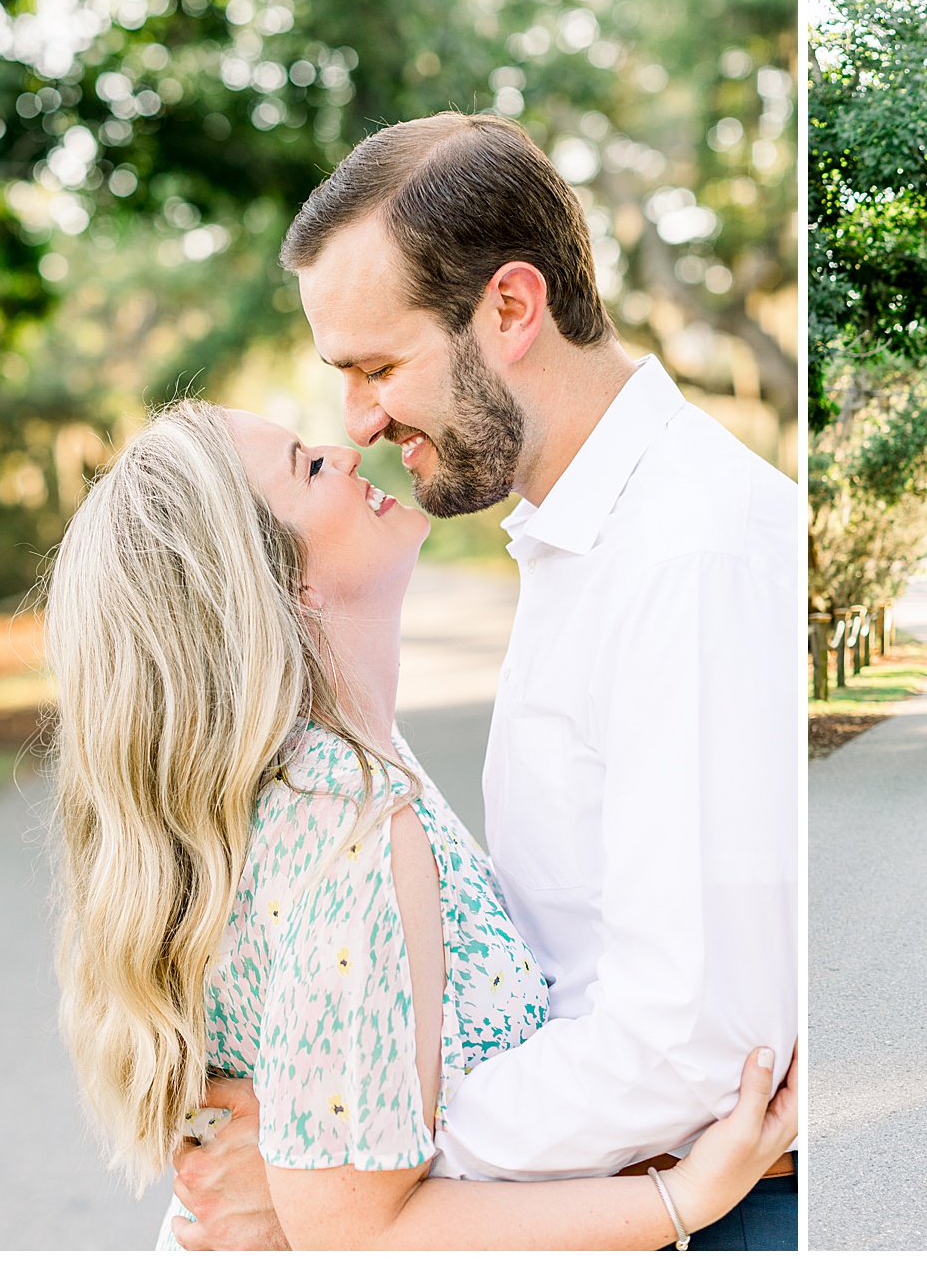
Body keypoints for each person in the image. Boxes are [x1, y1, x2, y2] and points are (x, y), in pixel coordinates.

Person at [171, 112, 799, 1249]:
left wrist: (352, 1155)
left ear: (511, 309)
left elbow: (692, 1036)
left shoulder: (687, 548)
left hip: (734, 1204)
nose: (358, 420)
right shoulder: (579, 538)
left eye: (379, 366)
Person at [44, 402, 796, 1249]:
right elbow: (358, 1233)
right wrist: (683, 1198)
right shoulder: (350, 827)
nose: (348, 446)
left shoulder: (318, 779)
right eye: (307, 466)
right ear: (279, 580)